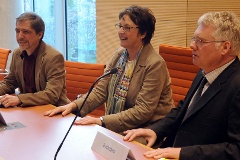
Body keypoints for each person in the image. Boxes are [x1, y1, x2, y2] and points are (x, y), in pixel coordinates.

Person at [123, 11, 240, 160]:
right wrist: (155, 130)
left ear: (225, 47)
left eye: (201, 41)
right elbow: (183, 110)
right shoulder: (204, 71)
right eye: (194, 39)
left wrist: (181, 153)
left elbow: (236, 150)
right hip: (169, 150)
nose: (192, 45)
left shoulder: (236, 85)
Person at [45, 5, 174, 136]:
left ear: (143, 33)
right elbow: (100, 92)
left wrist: (101, 121)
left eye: (127, 28)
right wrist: (73, 106)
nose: (121, 31)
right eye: (120, 26)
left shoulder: (154, 64)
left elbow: (143, 111)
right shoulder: (119, 55)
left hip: (147, 129)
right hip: (119, 124)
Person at [0, 12, 70, 107]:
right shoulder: (17, 53)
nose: (20, 36)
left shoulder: (53, 57)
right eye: (17, 31)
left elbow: (52, 95)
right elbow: (9, 83)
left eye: (26, 32)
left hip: (53, 110)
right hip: (29, 109)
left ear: (40, 34)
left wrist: (20, 99)